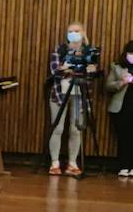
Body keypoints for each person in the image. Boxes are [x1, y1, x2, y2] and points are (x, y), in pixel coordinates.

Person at [47, 22, 98, 176]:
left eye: (76, 31)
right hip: (59, 93)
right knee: (58, 128)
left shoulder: (89, 50)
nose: (73, 34)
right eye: (70, 31)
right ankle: (54, 162)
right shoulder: (60, 49)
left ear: (83, 32)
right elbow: (55, 69)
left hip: (80, 93)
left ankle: (72, 163)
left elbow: (91, 71)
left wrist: (82, 68)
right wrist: (70, 67)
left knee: (76, 129)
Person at [105, 40, 133, 177]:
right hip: (121, 108)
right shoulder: (117, 67)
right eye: (131, 53)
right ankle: (124, 166)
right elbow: (108, 86)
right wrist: (122, 82)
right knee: (123, 137)